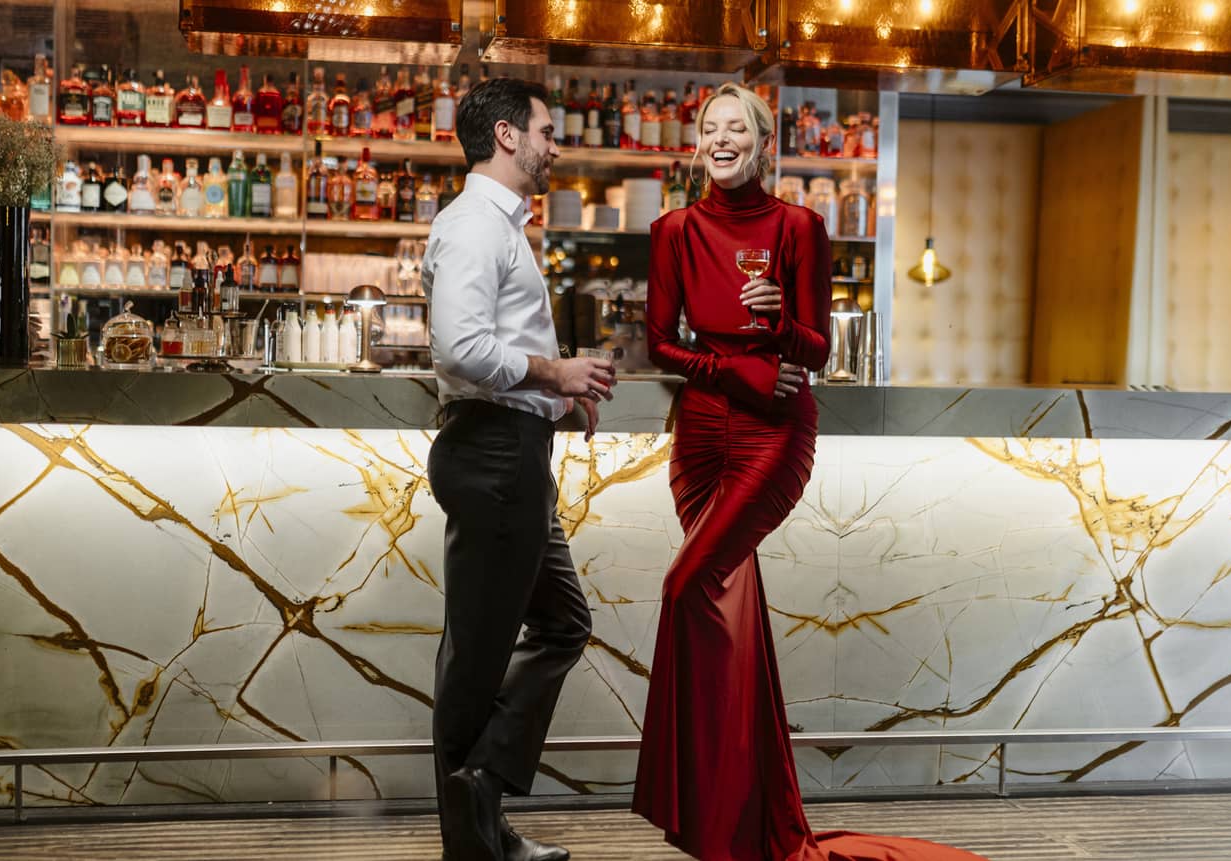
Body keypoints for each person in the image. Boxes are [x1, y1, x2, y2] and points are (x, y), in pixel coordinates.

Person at [631, 82, 988, 861]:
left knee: (685, 585)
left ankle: (703, 808)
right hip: (699, 436)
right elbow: (660, 345)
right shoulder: (672, 230)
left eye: (738, 129)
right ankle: (737, 821)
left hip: (772, 436)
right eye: (709, 128)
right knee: (731, 619)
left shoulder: (800, 226)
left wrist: (777, 325)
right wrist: (734, 370)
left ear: (764, 144)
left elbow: (818, 349)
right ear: (698, 142)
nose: (721, 139)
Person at [422, 76, 618, 861]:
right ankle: (475, 829)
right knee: (474, 662)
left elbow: (484, 348)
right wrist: (556, 374)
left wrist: (556, 402)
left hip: (513, 449)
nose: (554, 143)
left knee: (560, 622)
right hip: (494, 456)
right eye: (545, 129)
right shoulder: (475, 224)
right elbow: (460, 348)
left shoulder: (499, 224)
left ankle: (482, 801)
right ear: (507, 135)